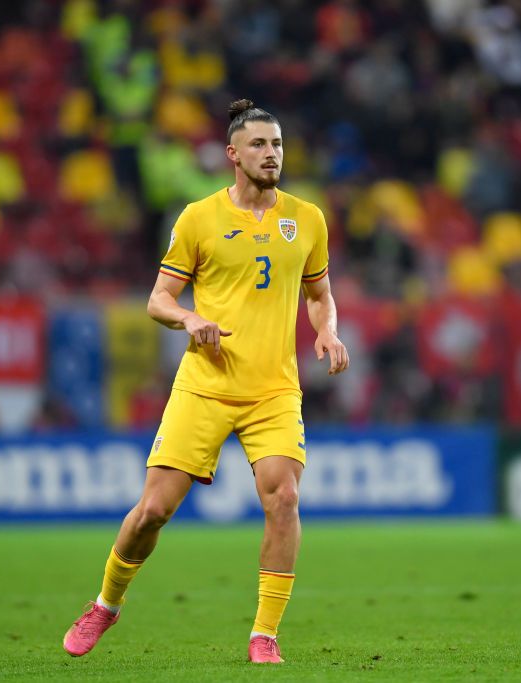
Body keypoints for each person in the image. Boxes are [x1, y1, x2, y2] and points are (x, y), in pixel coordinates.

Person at [62, 99, 349, 664]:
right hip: (206, 383)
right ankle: (105, 605)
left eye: (278, 144)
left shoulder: (307, 219)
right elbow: (158, 300)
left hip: (273, 389)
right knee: (152, 513)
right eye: (260, 145)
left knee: (284, 497)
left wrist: (328, 332)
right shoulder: (198, 218)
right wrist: (190, 318)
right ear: (232, 155)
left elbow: (319, 295)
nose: (272, 154)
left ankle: (264, 634)